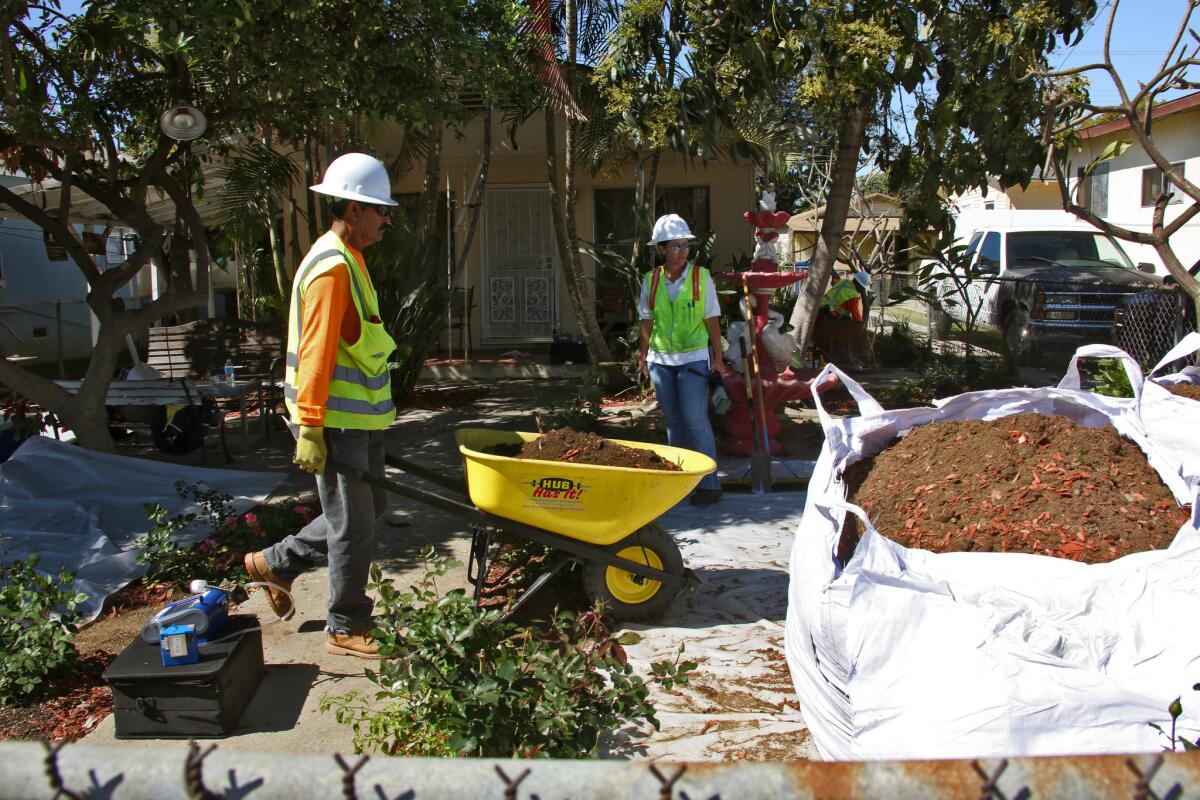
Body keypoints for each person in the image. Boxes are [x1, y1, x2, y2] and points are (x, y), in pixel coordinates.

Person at [243, 152, 398, 659]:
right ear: (353, 210)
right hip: (334, 420)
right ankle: (345, 622)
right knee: (354, 523)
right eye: (379, 210)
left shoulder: (349, 260)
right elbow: (316, 350)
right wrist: (309, 424)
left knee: (370, 508)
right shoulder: (333, 267)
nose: (386, 219)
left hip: (356, 418)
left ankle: (276, 563)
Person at [636, 214, 724, 507]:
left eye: (685, 245)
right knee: (674, 422)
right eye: (675, 246)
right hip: (661, 360)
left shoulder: (701, 277)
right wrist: (643, 355)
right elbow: (646, 321)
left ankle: (709, 484)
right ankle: (681, 482)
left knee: (696, 420)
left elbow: (712, 319)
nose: (682, 251)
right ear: (662, 248)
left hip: (693, 359)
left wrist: (718, 359)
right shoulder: (652, 280)